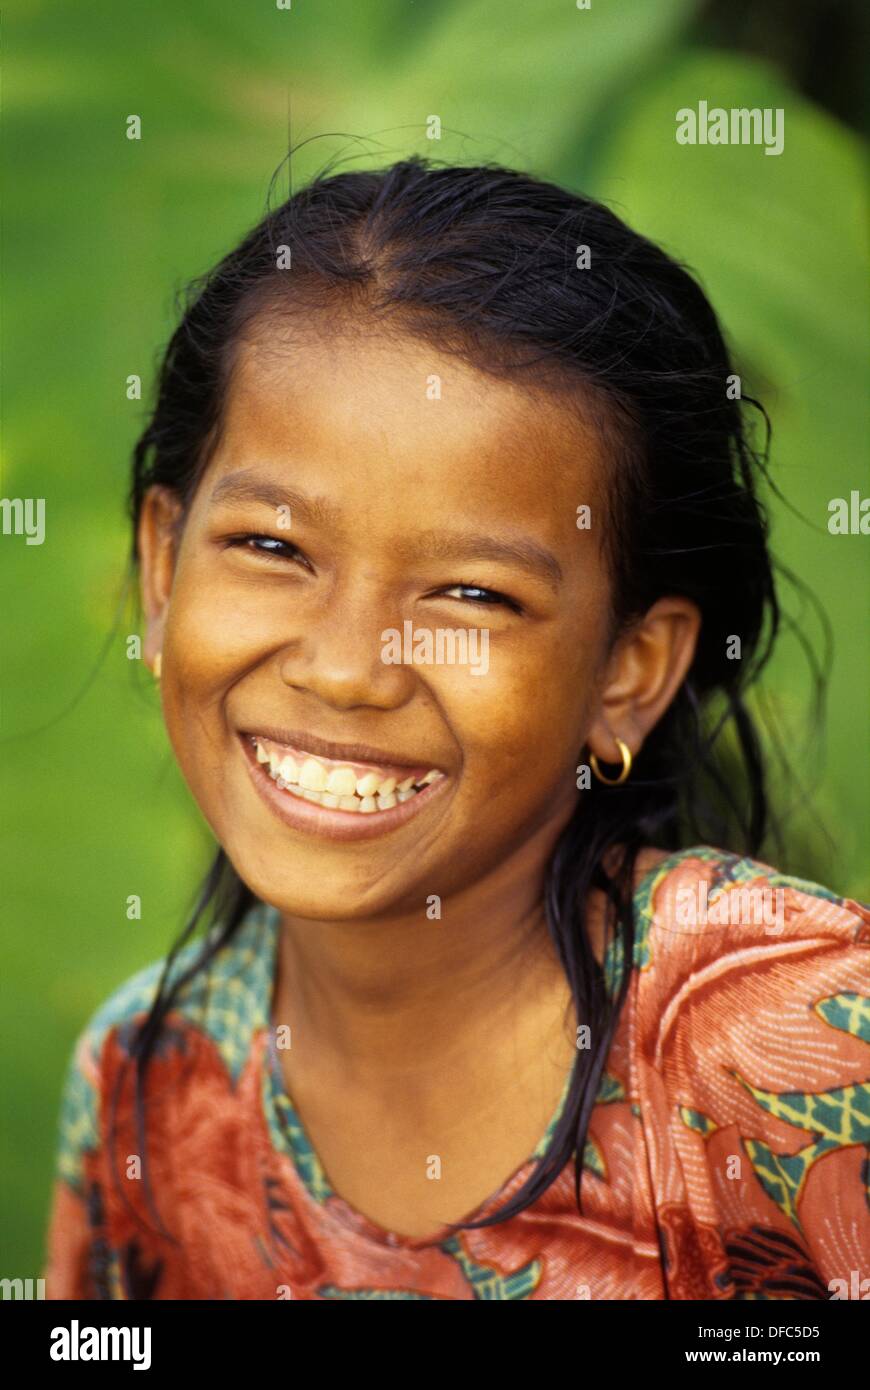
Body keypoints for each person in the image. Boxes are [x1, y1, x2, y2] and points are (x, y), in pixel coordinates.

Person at [43, 157, 870, 1300]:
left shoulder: (801, 1042)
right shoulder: (147, 1083)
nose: (344, 671)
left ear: (628, 671)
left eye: (471, 595)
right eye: (273, 549)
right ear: (160, 571)